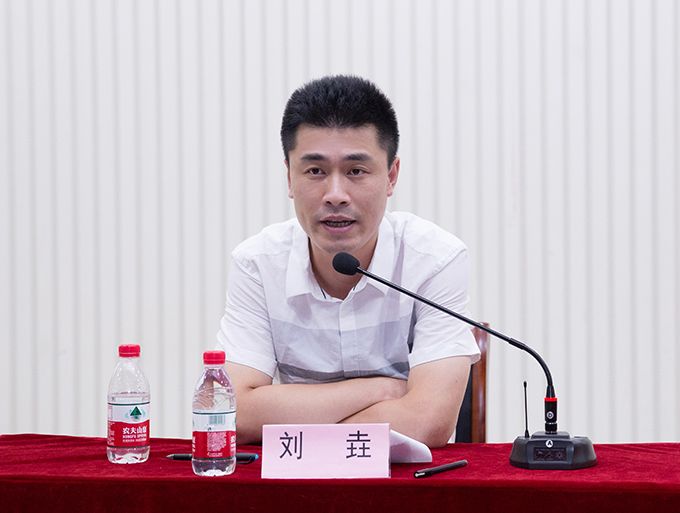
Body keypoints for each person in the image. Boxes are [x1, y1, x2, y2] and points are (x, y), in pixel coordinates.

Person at [217, 75, 480, 448]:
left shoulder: (435, 260)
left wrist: (288, 418)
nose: (336, 195)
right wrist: (384, 389)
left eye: (356, 171)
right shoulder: (257, 264)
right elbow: (233, 413)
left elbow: (428, 422)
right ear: (289, 177)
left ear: (391, 176)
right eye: (315, 171)